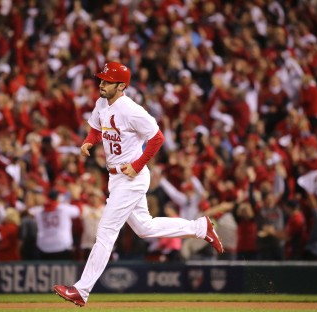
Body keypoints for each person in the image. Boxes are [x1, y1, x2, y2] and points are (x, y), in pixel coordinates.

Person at [53, 61, 224, 307]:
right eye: (101, 79)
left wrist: (138, 164)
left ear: (121, 86)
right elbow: (95, 128)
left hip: (131, 178)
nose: (101, 84)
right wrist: (89, 142)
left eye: (107, 81)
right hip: (116, 177)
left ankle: (81, 290)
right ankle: (200, 228)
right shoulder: (102, 102)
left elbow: (157, 138)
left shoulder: (131, 110)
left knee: (106, 232)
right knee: (145, 228)